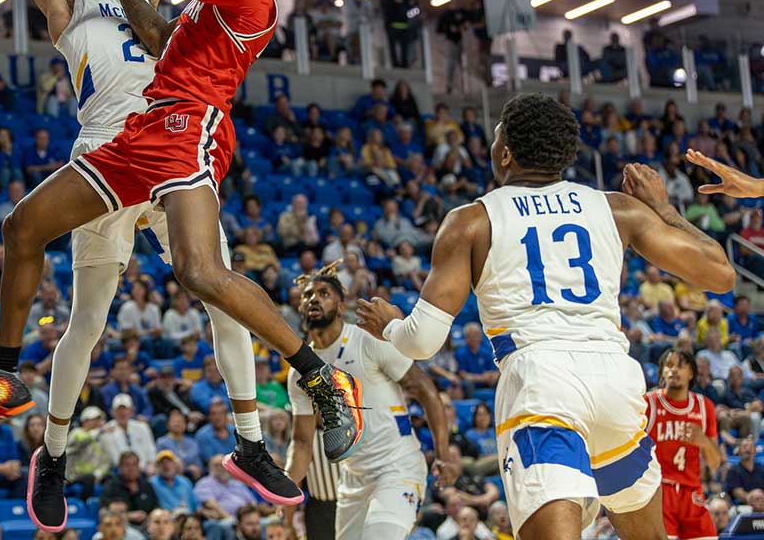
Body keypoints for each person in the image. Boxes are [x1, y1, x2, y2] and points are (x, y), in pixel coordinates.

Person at [0, 0, 363, 511]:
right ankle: (16, 393)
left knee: (209, 284)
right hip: (121, 140)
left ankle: (272, 423)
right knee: (47, 264)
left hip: (179, 134)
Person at [358, 92, 736, 540]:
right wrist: (664, 208)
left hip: (541, 381)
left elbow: (421, 342)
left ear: (504, 152)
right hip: (615, 378)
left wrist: (389, 325)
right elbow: (721, 274)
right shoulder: (615, 207)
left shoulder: (471, 221)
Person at [286, 268, 449, 540]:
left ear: (340, 306)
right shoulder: (299, 371)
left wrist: (443, 454)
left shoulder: (366, 340)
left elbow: (426, 390)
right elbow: (301, 444)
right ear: (299, 305)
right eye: (308, 295)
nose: (314, 299)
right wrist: (286, 501)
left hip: (396, 466)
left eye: (323, 293)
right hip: (351, 480)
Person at [645, 348, 722, 540]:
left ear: (691, 373)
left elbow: (715, 463)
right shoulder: (649, 403)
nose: (674, 370)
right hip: (659, 490)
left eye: (680, 366)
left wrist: (703, 442)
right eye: (669, 365)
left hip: (692, 492)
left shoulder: (705, 407)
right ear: (662, 372)